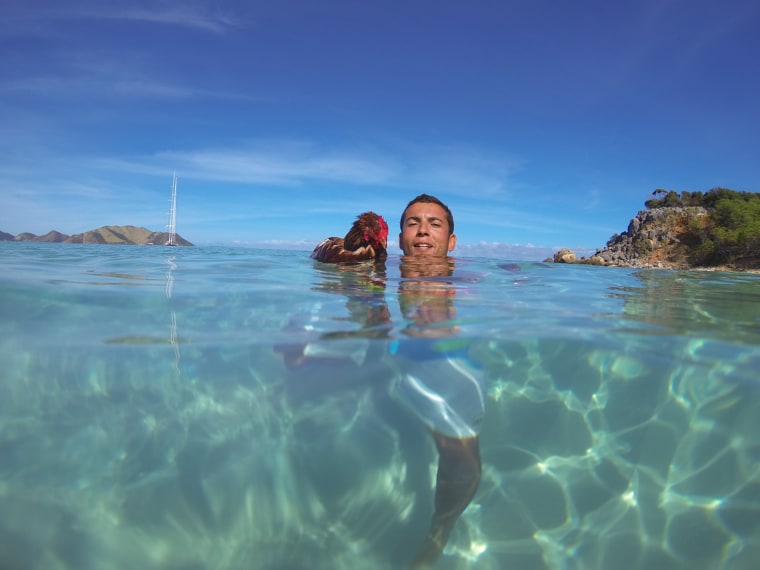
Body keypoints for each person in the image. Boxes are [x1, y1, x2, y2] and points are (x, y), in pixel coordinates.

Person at [394, 194, 484, 569]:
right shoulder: (377, 272)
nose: (423, 230)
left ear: (451, 241)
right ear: (400, 238)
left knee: (462, 462)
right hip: (398, 357)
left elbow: (506, 286)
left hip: (450, 361)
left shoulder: (464, 277)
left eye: (434, 223)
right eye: (413, 222)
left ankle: (439, 532)